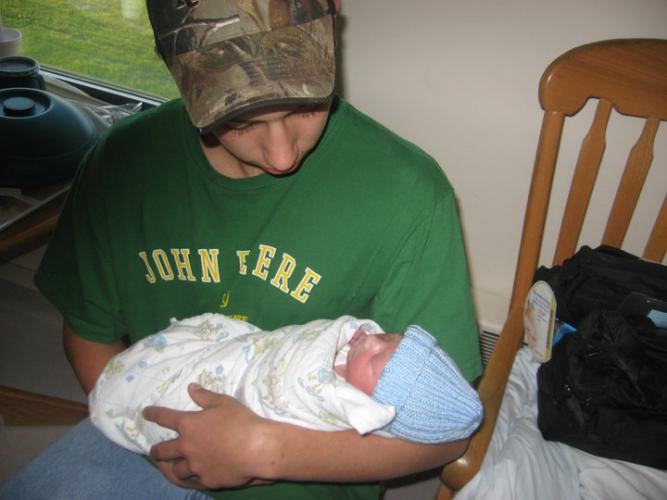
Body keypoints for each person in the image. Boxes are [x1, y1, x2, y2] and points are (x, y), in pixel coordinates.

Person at [0, 1, 482, 499]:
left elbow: (447, 436)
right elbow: (89, 333)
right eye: (240, 120)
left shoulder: (407, 195)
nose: (283, 155)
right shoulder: (121, 161)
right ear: (170, 62)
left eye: (305, 106)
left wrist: (267, 451)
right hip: (147, 439)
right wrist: (146, 433)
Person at [89, 315, 483, 454]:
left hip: (234, 400)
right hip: (245, 354)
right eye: (389, 338)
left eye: (377, 360)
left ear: (376, 406)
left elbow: (286, 387)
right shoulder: (353, 351)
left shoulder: (336, 398)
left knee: (173, 396)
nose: (372, 342)